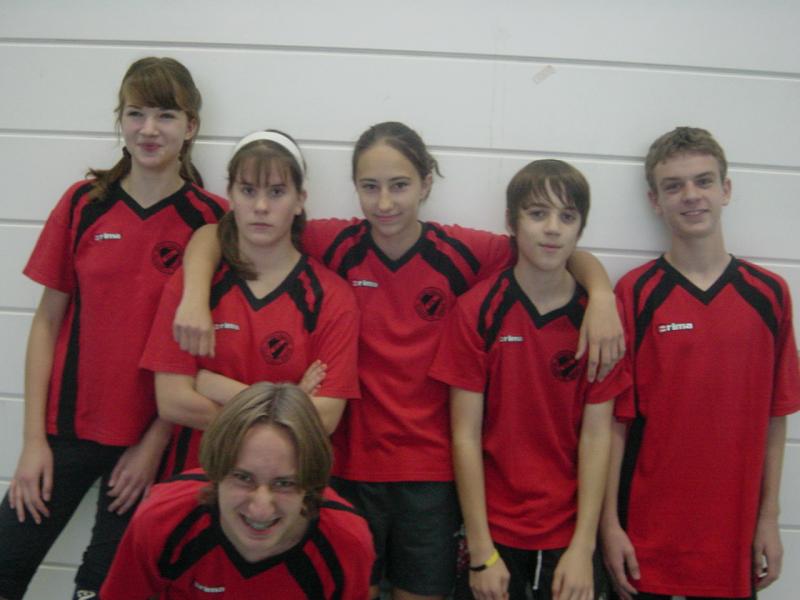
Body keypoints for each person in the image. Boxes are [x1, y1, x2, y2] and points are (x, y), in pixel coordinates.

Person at [173, 122, 625, 600]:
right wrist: (194, 293)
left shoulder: (463, 252)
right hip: (346, 468)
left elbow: (551, 248)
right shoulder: (335, 242)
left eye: (400, 185)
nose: (384, 202)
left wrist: (601, 295)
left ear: (426, 184)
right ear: (355, 188)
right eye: (370, 187)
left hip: (431, 479)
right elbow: (215, 233)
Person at [0, 57, 227, 600]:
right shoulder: (83, 203)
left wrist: (153, 444)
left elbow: (203, 350)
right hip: (65, 431)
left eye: (166, 115)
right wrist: (32, 442)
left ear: (191, 126)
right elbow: (46, 322)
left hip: (154, 441)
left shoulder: (212, 221)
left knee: (102, 588)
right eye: (135, 113)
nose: (149, 129)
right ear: (120, 119)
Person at [601, 127, 800, 600]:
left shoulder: (769, 294)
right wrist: (608, 525)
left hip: (731, 543)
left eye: (703, 181)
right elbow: (614, 424)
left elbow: (776, 417)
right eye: (674, 186)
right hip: (645, 539)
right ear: (655, 200)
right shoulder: (635, 293)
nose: (691, 195)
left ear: (725, 190)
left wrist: (769, 519)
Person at [430, 159, 630, 600]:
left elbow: (597, 436)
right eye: (538, 214)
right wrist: (481, 550)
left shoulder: (600, 324)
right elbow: (464, 435)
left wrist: (584, 547)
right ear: (511, 222)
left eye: (567, 216)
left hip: (569, 536)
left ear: (581, 228)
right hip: (493, 533)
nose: (553, 229)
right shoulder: (478, 310)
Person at [141, 130, 360, 479]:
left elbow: (324, 418)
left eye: (276, 192)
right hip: (195, 479)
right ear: (230, 195)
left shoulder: (332, 297)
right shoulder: (193, 286)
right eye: (247, 190)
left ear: (300, 200)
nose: (260, 207)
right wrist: (286, 400)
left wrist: (211, 384)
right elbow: (172, 402)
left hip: (284, 491)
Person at [101, 382, 375, 598]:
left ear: (311, 481)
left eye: (285, 484)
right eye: (243, 478)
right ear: (216, 472)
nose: (260, 509)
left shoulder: (346, 543)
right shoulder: (164, 520)